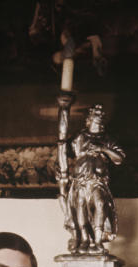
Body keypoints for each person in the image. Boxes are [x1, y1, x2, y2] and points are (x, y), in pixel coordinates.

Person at [57, 99, 125, 254]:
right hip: (80, 180)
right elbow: (62, 146)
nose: (99, 117)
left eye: (101, 115)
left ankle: (98, 241)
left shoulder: (107, 139)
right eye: (96, 114)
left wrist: (103, 149)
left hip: (98, 181)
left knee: (100, 204)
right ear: (89, 119)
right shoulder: (78, 137)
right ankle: (84, 239)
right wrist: (63, 110)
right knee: (80, 209)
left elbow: (119, 158)